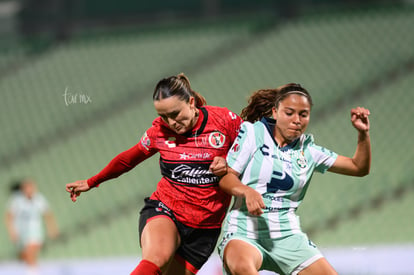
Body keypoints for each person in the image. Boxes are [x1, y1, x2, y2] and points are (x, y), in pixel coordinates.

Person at [65, 73, 243, 275]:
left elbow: (252, 151)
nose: (171, 122)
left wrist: (228, 165)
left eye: (175, 114)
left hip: (204, 229)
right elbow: (127, 159)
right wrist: (92, 181)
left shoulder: (225, 121)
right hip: (166, 209)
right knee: (157, 258)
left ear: (191, 102)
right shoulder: (158, 132)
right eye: (163, 116)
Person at [217, 84, 371, 275]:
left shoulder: (310, 151)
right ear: (275, 111)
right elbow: (226, 178)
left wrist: (363, 134)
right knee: (243, 269)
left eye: (303, 114)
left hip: (287, 236)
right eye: (289, 113)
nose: (297, 120)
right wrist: (247, 191)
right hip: (244, 232)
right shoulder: (253, 133)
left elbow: (359, 167)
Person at [5, 178, 59, 275]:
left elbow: (48, 215)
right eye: (27, 188)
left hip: (35, 230)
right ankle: (30, 268)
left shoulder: (39, 199)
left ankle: (33, 271)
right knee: (24, 255)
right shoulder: (16, 200)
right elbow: (9, 217)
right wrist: (12, 231)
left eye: (32, 187)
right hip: (21, 231)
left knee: (31, 249)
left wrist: (52, 229)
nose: (30, 190)